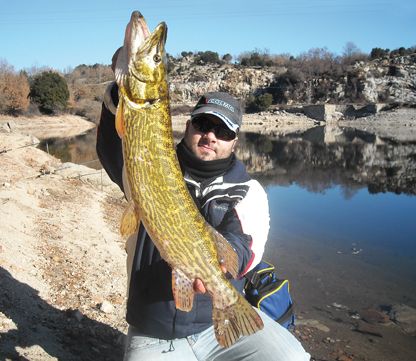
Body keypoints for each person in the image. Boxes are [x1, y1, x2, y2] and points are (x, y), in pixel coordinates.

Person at [97, 78, 310, 360]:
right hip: (153, 328)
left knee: (292, 358)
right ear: (187, 127)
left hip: (215, 325)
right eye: (203, 125)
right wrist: (119, 93)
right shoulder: (147, 166)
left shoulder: (248, 190)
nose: (210, 135)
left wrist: (221, 266)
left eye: (222, 131)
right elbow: (111, 147)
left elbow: (245, 243)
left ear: (234, 142)